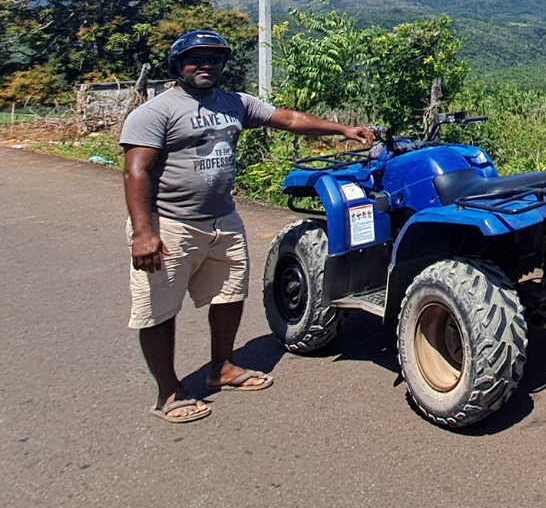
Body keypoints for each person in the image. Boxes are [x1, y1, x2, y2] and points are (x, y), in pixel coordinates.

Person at [120, 30, 375, 423]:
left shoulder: (234, 103)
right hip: (170, 223)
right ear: (177, 66)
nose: (206, 65)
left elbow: (288, 119)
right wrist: (143, 233)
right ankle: (168, 391)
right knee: (158, 309)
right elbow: (136, 171)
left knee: (228, 296)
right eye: (196, 59)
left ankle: (220, 369)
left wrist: (341, 130)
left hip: (222, 218)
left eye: (215, 59)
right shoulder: (157, 112)